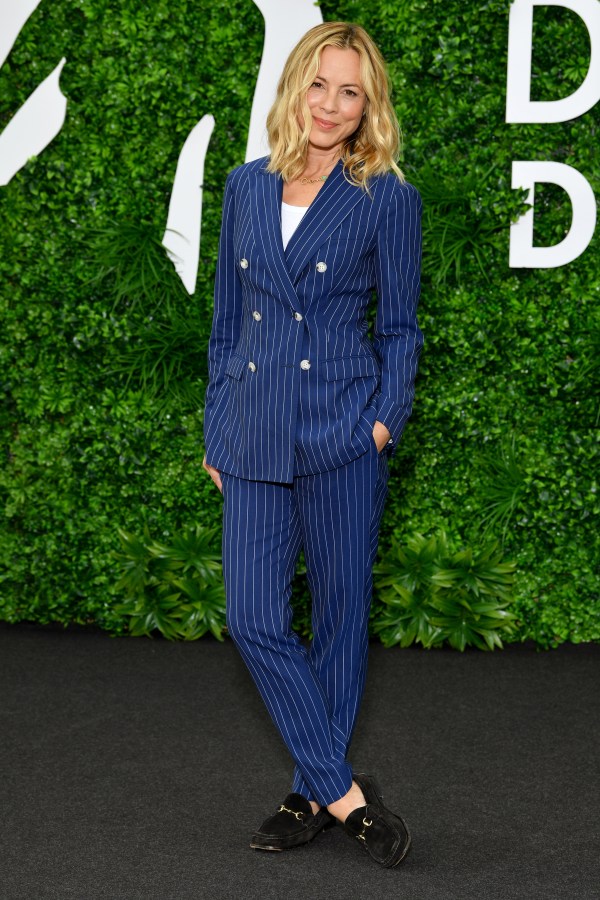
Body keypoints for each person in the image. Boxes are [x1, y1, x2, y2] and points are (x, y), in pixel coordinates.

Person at [202, 21, 423, 868]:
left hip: (342, 432)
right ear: (296, 85)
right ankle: (347, 797)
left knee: (337, 621)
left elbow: (399, 329)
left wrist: (382, 421)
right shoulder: (244, 187)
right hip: (253, 431)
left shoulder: (386, 198)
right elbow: (226, 326)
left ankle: (306, 793)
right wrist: (218, 427)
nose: (331, 105)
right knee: (256, 617)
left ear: (369, 107)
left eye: (351, 91)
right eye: (320, 85)